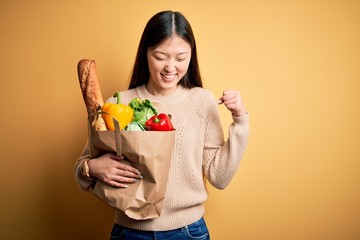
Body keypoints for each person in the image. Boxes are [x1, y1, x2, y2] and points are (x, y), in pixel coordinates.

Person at [74, 10, 249, 240]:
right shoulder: (118, 104)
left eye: (180, 57)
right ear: (145, 53)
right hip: (129, 233)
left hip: (189, 233)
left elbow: (219, 177)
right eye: (160, 56)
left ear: (191, 55)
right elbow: (80, 171)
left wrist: (240, 120)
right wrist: (92, 168)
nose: (170, 67)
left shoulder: (201, 101)